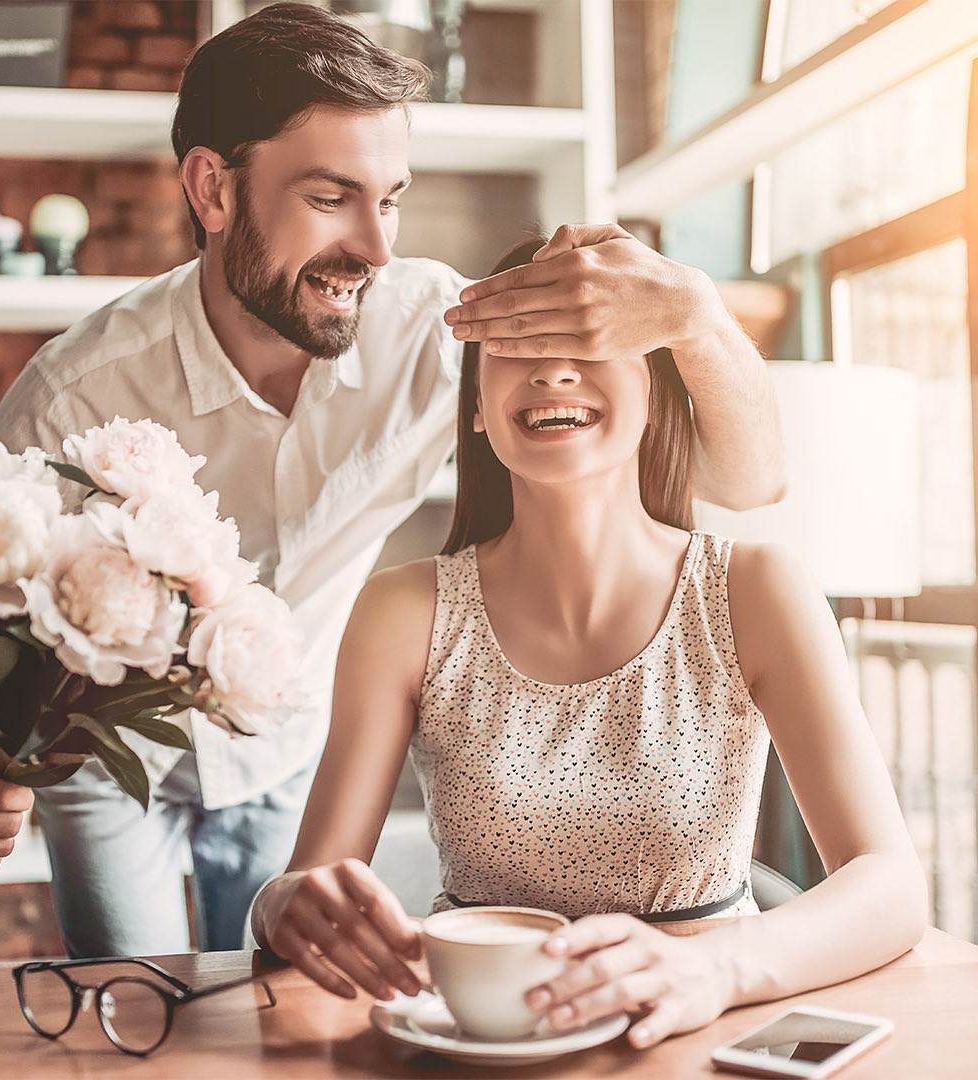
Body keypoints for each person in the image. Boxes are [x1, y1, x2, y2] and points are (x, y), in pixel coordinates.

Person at [0, 4, 783, 958]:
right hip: (112, 765)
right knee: (134, 1009)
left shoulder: (437, 327)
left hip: (293, 749)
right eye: (331, 197)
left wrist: (692, 314)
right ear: (213, 188)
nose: (377, 247)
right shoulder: (78, 389)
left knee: (280, 1001)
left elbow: (750, 479)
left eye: (390, 197)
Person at [252, 237, 926, 1046]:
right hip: (484, 1044)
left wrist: (718, 968)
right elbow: (310, 888)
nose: (552, 370)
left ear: (656, 391)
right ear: (474, 401)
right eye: (520, 346)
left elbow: (890, 885)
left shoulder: (755, 591)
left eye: (589, 343)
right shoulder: (404, 608)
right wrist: (277, 906)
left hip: (701, 1042)